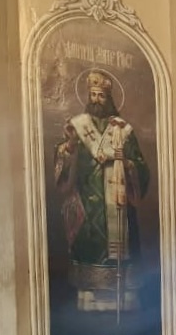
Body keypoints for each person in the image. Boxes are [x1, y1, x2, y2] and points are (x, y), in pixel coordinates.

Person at [53, 69, 150, 314]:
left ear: (109, 98)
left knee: (122, 245)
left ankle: (124, 300)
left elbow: (140, 165)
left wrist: (127, 164)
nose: (96, 99)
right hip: (89, 203)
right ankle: (88, 300)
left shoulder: (123, 129)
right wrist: (70, 144)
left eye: (101, 95)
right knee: (90, 246)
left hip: (118, 202)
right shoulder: (78, 126)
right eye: (93, 95)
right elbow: (63, 159)